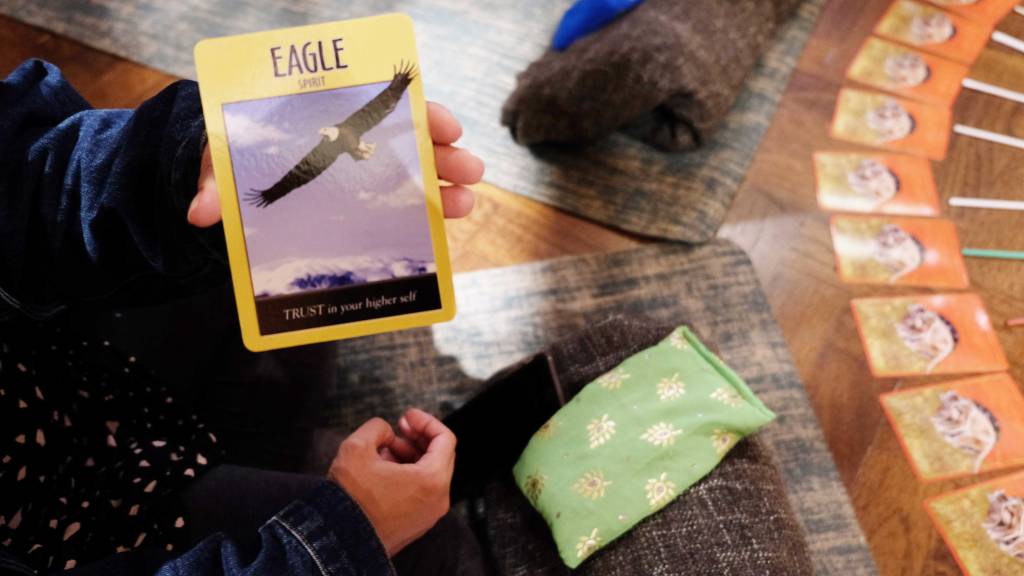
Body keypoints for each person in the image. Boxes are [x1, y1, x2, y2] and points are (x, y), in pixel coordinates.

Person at [0, 58, 485, 575]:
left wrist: (185, 164)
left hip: (67, 366)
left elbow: (24, 168)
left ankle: (271, 459)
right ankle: (277, 469)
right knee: (431, 545)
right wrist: (327, 547)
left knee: (290, 274)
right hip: (82, 524)